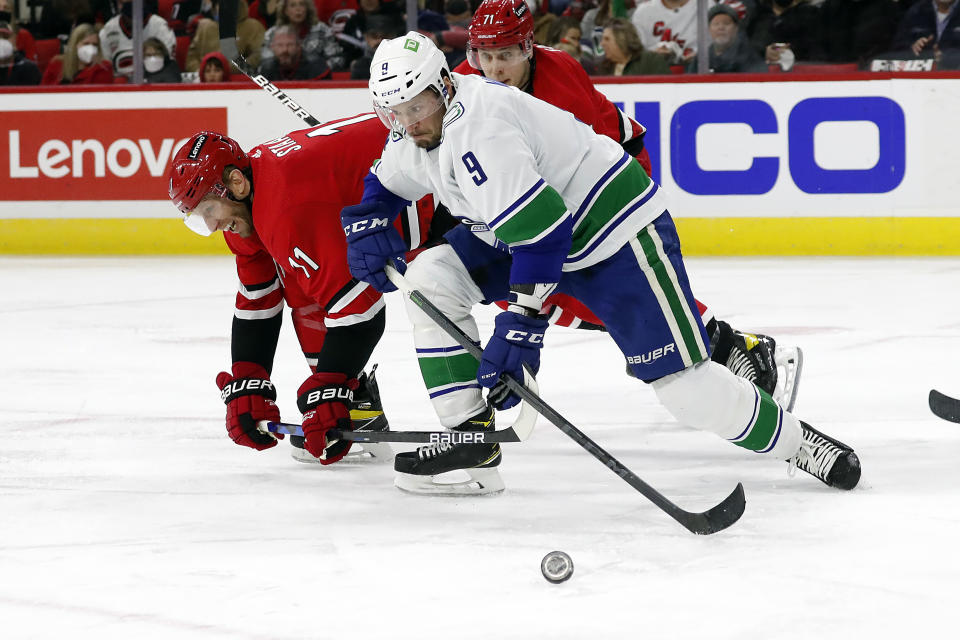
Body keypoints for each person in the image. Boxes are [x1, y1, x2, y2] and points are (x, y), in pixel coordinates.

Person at [342, 31, 861, 497]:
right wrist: (367, 222)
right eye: (397, 112)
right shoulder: (417, 129)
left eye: (418, 106)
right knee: (429, 281)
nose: (410, 123)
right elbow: (386, 184)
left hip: (614, 233)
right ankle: (469, 442)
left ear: (446, 86)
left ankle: (798, 443)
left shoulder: (483, 129)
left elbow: (544, 232)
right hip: (529, 236)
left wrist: (522, 324)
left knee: (686, 390)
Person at [456, 0, 802, 413]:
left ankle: (735, 348)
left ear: (528, 48)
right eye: (485, 56)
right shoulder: (465, 83)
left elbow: (571, 176)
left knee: (608, 290)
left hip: (615, 179)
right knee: (553, 291)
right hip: (551, 193)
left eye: (506, 55)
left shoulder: (558, 80)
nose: (494, 69)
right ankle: (732, 346)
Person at [166, 119, 443, 463]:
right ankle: (356, 403)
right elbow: (257, 298)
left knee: (497, 280)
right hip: (408, 172)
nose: (212, 226)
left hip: (438, 176)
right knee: (302, 286)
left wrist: (330, 390)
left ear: (236, 183)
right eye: (197, 219)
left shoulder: (283, 208)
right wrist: (248, 377)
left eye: (208, 210)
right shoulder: (250, 198)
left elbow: (361, 309)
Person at [260, 0, 346, 70]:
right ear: (285, 11)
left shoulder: (321, 30)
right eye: (293, 5)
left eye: (302, 5)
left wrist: (318, 69)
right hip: (282, 81)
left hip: (315, 80)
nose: (298, 9)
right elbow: (265, 62)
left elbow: (337, 59)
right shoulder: (273, 33)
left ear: (307, 9)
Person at [99, 0, 176, 76]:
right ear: (124, 15)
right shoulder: (108, 30)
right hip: (119, 81)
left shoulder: (160, 27)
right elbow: (105, 66)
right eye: (132, 16)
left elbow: (168, 63)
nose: (137, 19)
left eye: (140, 15)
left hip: (154, 78)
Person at [185, 0, 265, 71]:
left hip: (238, 79)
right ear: (214, 8)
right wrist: (203, 72)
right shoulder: (205, 27)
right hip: (205, 80)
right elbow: (192, 57)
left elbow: (258, 55)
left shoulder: (253, 26)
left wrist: (228, 69)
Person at [748, 0, 824, 69]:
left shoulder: (811, 16)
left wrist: (792, 51)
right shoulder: (757, 15)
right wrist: (764, 53)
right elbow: (743, 48)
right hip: (758, 74)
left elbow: (818, 54)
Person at [692, 3, 766, 73]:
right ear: (709, 29)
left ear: (736, 28)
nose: (721, 28)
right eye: (716, 24)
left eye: (726, 23)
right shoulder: (702, 58)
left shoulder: (749, 56)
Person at [41, 21, 114, 84]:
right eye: (86, 44)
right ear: (74, 45)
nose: (91, 48)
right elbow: (43, 92)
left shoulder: (104, 67)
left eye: (94, 44)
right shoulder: (56, 64)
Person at [596, 16, 671, 75]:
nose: (602, 44)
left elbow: (666, 89)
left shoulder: (651, 61)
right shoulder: (603, 68)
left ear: (622, 40)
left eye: (607, 39)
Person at [891, 0, 960, 63]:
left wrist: (950, 57)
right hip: (920, 74)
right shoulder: (916, 11)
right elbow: (896, 49)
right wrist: (913, 48)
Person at [258, 24, 331, 79]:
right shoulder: (267, 68)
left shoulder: (316, 66)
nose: (285, 50)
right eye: (280, 45)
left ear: (299, 46)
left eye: (290, 45)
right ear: (272, 47)